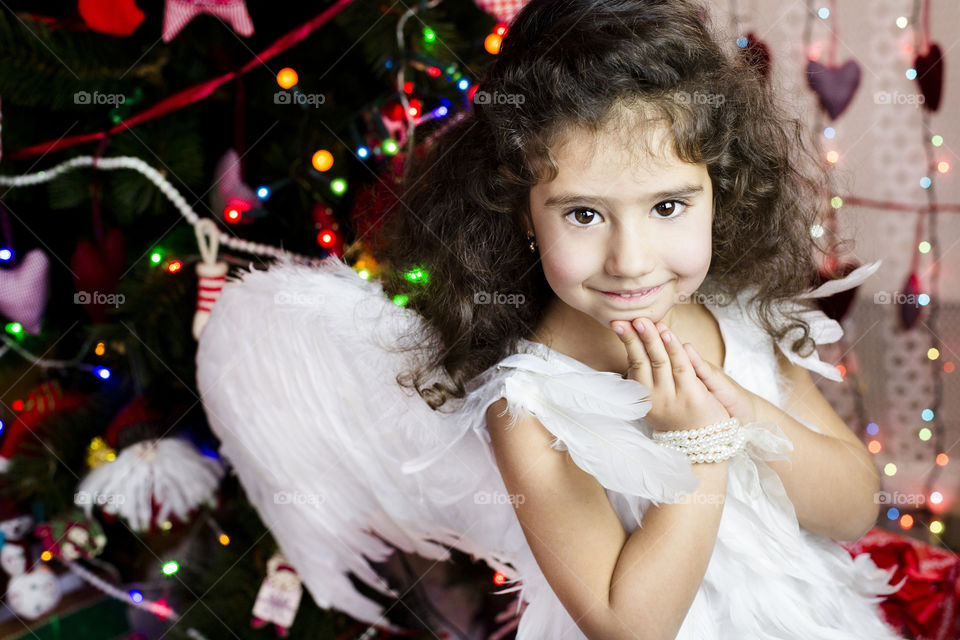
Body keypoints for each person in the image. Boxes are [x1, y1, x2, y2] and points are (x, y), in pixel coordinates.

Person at [196, 0, 908, 638]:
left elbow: (852, 510)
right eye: (585, 214)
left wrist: (746, 412)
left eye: (667, 206)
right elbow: (630, 625)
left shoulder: (743, 317)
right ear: (522, 213)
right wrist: (703, 452)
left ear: (718, 194)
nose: (631, 261)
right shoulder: (529, 403)